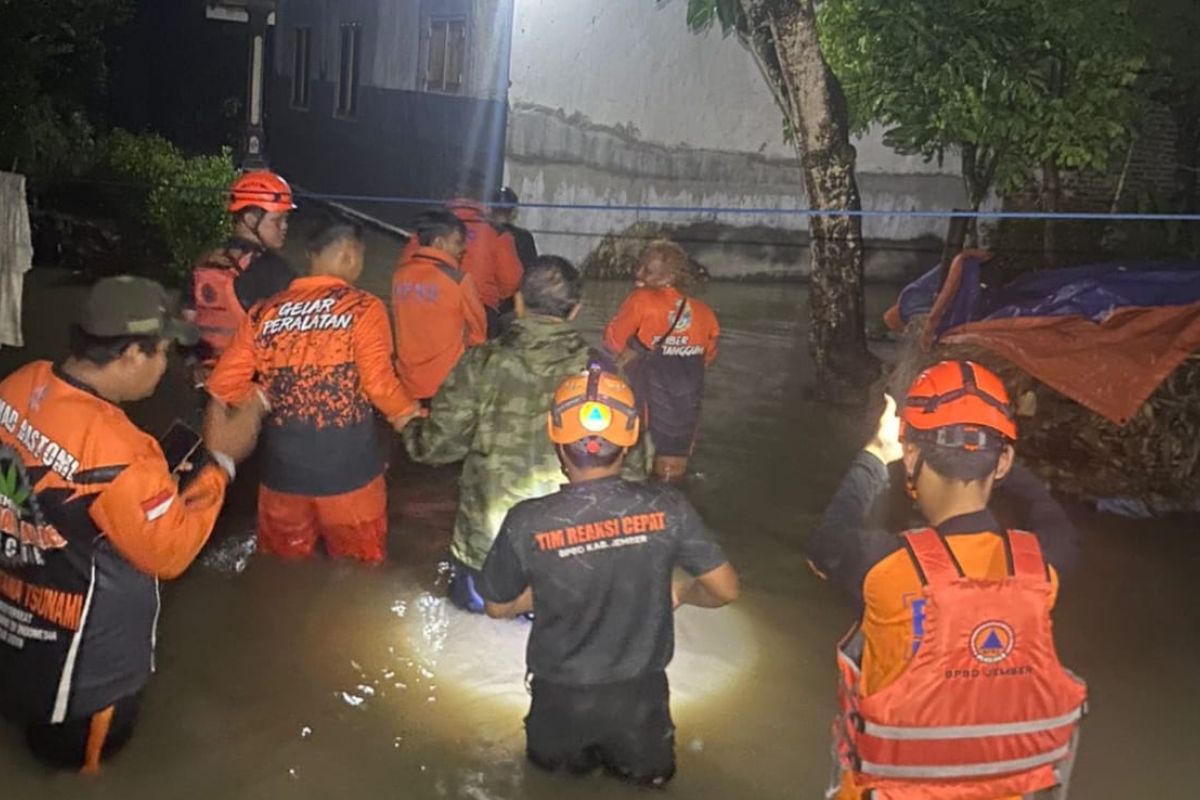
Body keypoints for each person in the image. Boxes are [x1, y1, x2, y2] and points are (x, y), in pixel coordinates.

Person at [0, 276, 262, 772]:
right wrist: (223, 462)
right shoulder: (122, 451)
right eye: (163, 353)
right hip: (84, 679)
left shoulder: (19, 384)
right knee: (81, 776)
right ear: (132, 355)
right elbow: (171, 552)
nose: (164, 368)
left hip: (16, 629)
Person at [808, 361, 1087, 800]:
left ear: (913, 456)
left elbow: (825, 541)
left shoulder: (881, 567)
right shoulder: (1041, 573)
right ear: (1004, 462)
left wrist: (877, 454)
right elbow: (1052, 517)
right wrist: (994, 454)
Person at [478, 366, 739, 786]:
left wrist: (546, 587)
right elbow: (725, 589)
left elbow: (497, 606)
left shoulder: (528, 521)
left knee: (551, 788)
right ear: (631, 439)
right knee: (645, 787)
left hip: (559, 702)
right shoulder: (668, 507)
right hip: (640, 703)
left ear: (555, 439)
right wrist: (682, 591)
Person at [405, 256, 635, 612]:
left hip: (488, 547)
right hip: (572, 548)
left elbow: (436, 447)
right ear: (576, 311)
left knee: (477, 643)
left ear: (518, 301)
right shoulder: (600, 372)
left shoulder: (480, 362)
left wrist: (407, 424)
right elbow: (633, 464)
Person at [207, 220, 420, 565]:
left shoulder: (264, 311)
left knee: (282, 574)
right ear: (352, 256)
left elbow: (224, 386)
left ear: (310, 257)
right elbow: (380, 386)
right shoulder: (363, 308)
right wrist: (416, 422)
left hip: (281, 479)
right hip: (351, 482)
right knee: (359, 574)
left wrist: (271, 392)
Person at [603, 239, 719, 483]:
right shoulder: (705, 313)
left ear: (670, 275)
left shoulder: (640, 300)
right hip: (687, 407)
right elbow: (708, 356)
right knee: (673, 474)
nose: (638, 273)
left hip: (646, 402)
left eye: (648, 271)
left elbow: (613, 341)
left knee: (636, 470)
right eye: (640, 267)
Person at [183, 169, 298, 385]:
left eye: (286, 220)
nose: (285, 228)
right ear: (250, 219)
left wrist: (195, 363)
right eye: (277, 221)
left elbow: (186, 322)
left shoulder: (204, 262)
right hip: (255, 387)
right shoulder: (275, 271)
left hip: (210, 380)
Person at [391, 209, 487, 403]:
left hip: (409, 383)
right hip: (447, 383)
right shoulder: (458, 280)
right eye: (458, 242)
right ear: (438, 244)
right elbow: (478, 333)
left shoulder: (400, 275)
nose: (463, 249)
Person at [398, 196, 524, 338]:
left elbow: (407, 267)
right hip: (482, 309)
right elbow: (511, 280)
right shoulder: (497, 232)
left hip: (426, 306)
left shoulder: (429, 227)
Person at [491, 186, 538, 270]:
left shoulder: (483, 235)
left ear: (491, 209)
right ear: (513, 212)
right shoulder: (524, 237)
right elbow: (531, 271)